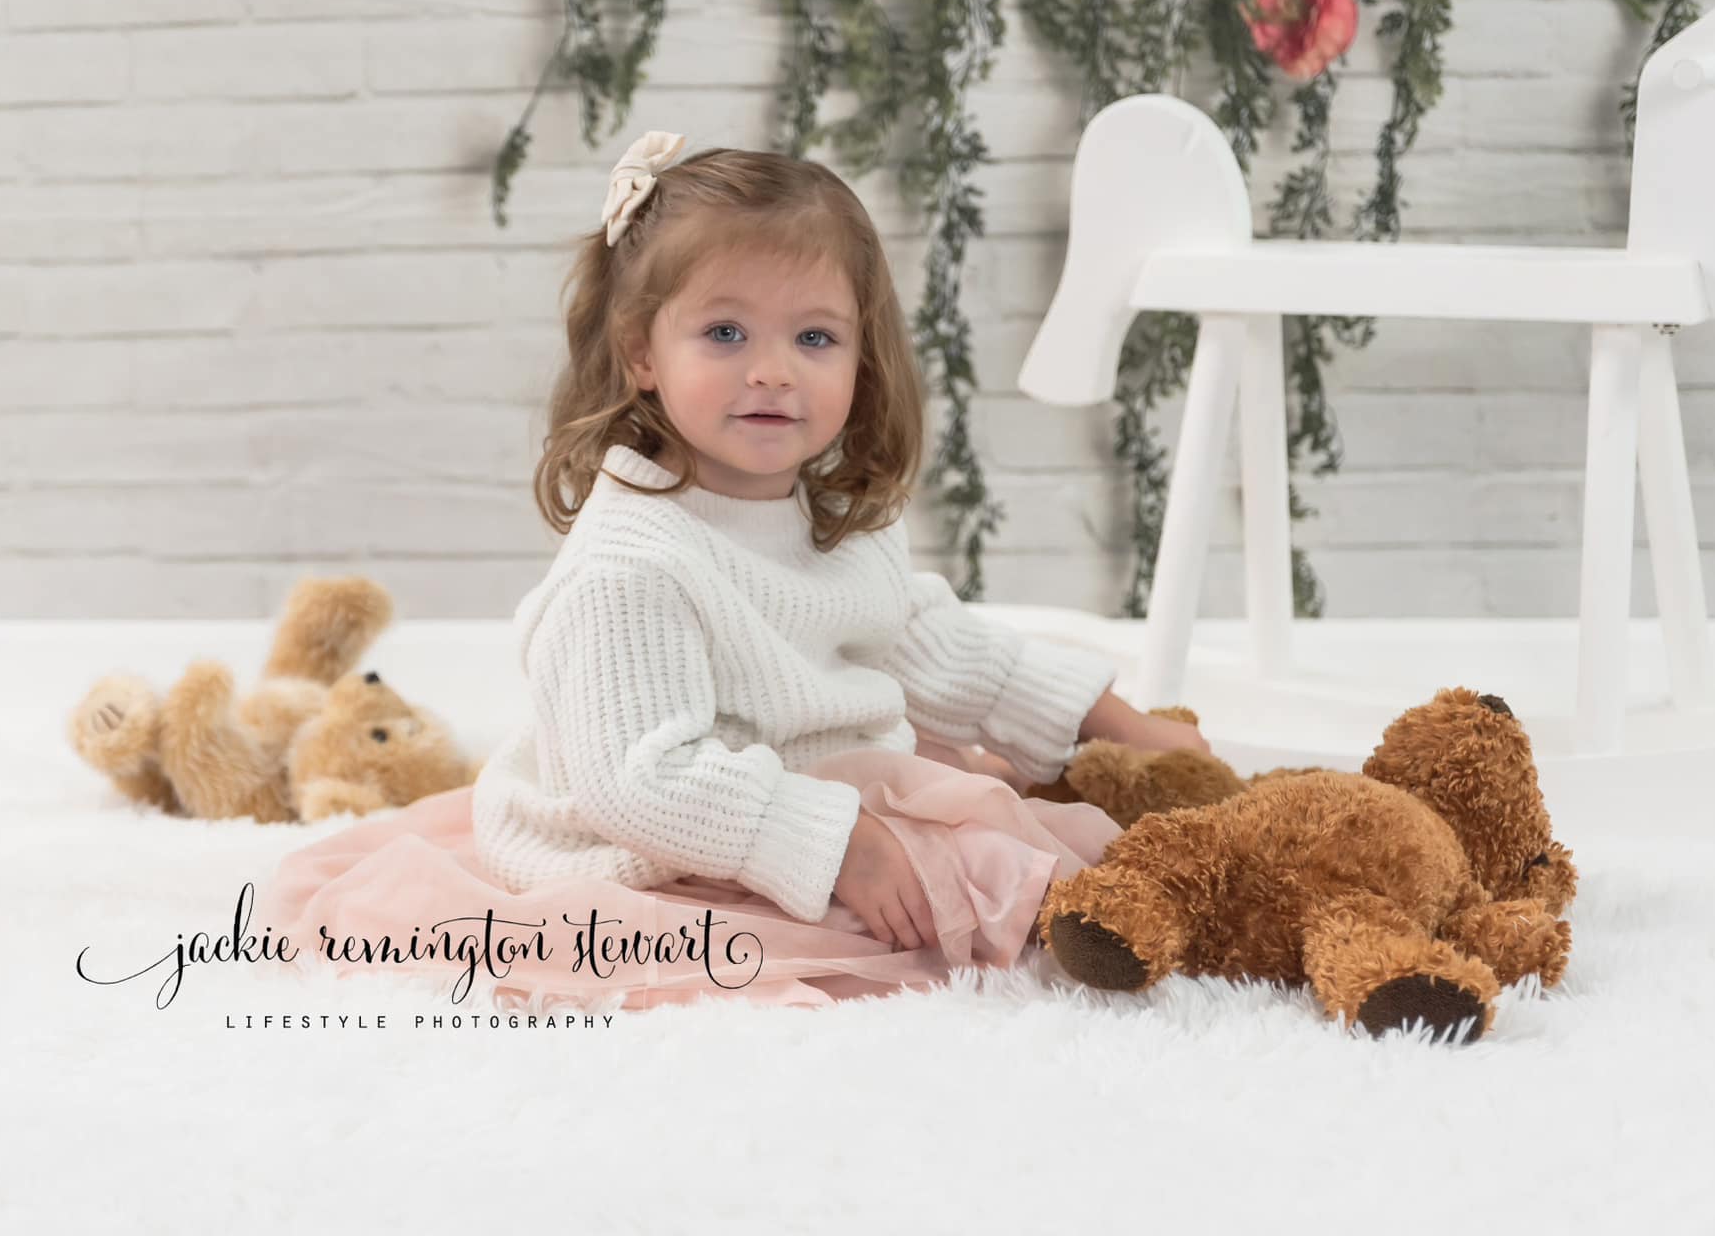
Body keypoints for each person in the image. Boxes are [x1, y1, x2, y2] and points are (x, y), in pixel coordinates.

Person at [262, 131, 1211, 1013]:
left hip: (815, 782)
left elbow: (922, 640)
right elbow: (641, 780)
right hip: (670, 834)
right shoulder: (633, 567)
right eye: (725, 334)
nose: (772, 372)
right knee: (949, 892)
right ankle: (1102, 933)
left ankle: (1154, 896)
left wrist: (1110, 721)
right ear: (641, 351)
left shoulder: (822, 510)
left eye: (813, 338)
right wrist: (835, 845)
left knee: (1021, 817)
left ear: (859, 358)